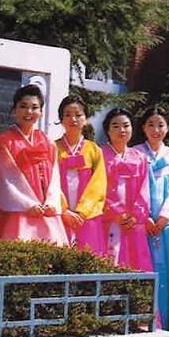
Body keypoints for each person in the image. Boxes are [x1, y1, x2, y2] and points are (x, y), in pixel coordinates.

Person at [0, 84, 67, 246]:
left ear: (41, 111)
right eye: (23, 106)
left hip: (44, 208)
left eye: (34, 107)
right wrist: (27, 204)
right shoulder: (5, 141)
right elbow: (5, 179)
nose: (29, 112)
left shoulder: (47, 142)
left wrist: (51, 202)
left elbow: (54, 177)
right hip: (15, 208)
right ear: (14, 109)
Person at [134, 106, 169, 328]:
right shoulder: (135, 153)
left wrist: (164, 217)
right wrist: (144, 217)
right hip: (142, 224)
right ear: (143, 128)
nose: (156, 130)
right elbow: (134, 190)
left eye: (160, 125)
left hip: (166, 225)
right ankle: (145, 320)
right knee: (145, 269)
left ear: (168, 128)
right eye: (151, 125)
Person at [101, 108, 152, 272]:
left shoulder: (140, 158)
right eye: (115, 126)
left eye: (126, 125)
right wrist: (117, 212)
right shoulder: (100, 155)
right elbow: (99, 188)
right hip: (108, 220)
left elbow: (144, 190)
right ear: (108, 130)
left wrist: (135, 215)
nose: (121, 130)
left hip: (133, 222)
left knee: (135, 264)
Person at [55, 95, 107, 254]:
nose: (73, 119)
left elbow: (98, 184)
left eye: (78, 115)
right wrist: (63, 210)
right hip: (60, 215)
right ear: (61, 119)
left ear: (86, 119)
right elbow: (49, 183)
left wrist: (82, 212)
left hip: (87, 217)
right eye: (67, 115)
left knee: (88, 258)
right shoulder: (53, 148)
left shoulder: (94, 150)